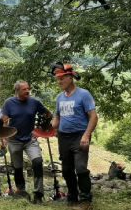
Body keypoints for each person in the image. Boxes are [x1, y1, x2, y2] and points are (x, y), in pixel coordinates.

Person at [51, 63, 98, 207]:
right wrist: (48, 128)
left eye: (62, 78)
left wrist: (86, 135)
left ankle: (85, 199)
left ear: (70, 77)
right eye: (57, 79)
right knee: (66, 169)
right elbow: (57, 118)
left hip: (80, 135)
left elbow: (93, 117)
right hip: (64, 137)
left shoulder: (83, 94)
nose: (59, 82)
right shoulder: (60, 97)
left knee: (81, 168)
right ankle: (72, 196)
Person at [2, 81, 52, 203]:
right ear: (17, 91)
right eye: (24, 89)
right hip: (14, 140)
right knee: (17, 167)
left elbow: (47, 114)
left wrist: (44, 125)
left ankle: (38, 194)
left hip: (30, 138)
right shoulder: (9, 103)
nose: (27, 91)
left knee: (38, 161)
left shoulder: (34, 102)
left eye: (28, 89)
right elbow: (4, 121)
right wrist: (3, 138)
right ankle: (21, 191)